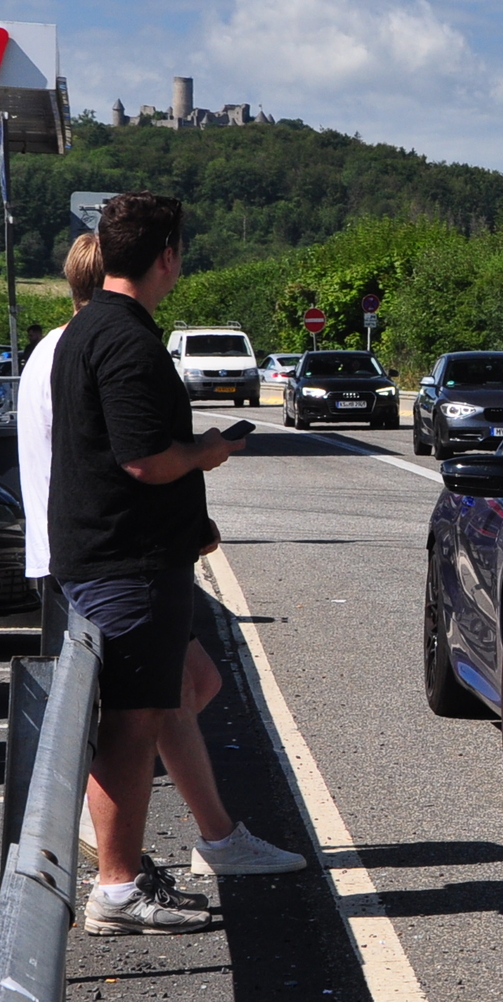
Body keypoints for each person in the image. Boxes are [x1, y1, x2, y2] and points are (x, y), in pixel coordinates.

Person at [22, 232, 300, 910]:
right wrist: (200, 457)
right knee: (137, 712)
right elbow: (128, 461)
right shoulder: (95, 348)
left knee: (179, 688)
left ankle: (214, 834)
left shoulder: (66, 346)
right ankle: (116, 840)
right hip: (102, 557)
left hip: (84, 551)